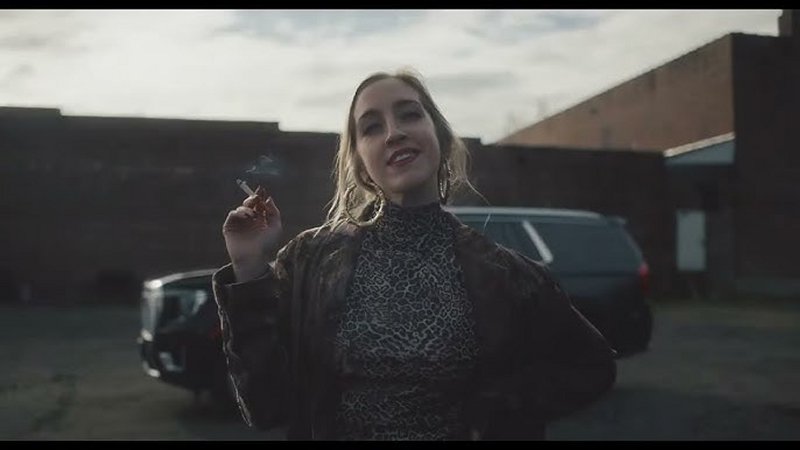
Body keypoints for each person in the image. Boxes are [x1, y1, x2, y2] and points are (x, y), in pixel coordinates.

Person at [212, 68, 617, 441]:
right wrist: (248, 267)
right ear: (361, 165)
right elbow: (265, 407)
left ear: (439, 136)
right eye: (372, 127)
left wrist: (499, 410)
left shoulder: (505, 274)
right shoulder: (310, 261)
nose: (394, 133)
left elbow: (592, 367)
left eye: (409, 115)